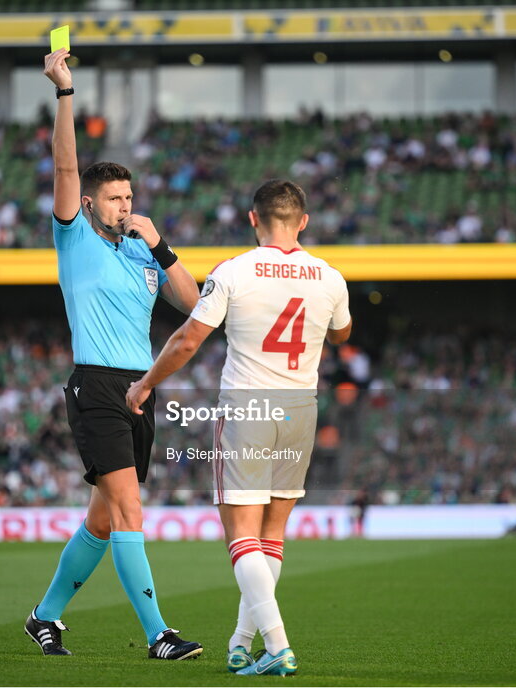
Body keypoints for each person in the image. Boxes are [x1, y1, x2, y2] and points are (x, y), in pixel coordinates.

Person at [125, 179, 352, 676]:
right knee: (271, 535)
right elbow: (342, 332)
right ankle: (240, 642)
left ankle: (277, 646)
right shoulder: (330, 277)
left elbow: (188, 340)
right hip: (300, 408)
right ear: (304, 222)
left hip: (249, 405)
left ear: (253, 219)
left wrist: (144, 384)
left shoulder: (235, 272)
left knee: (242, 536)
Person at [25, 48, 203, 661]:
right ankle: (159, 635)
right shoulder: (73, 235)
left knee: (103, 520)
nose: (125, 206)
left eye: (130, 197)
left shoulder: (139, 250)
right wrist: (65, 92)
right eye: (116, 198)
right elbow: (65, 169)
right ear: (94, 203)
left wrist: (161, 245)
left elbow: (193, 302)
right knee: (130, 510)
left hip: (141, 387)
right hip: (97, 386)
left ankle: (44, 616)